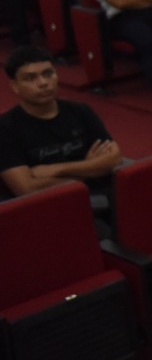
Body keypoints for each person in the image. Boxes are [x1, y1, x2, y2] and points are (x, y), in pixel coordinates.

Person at [0, 47, 122, 233]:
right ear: (14, 86)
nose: (43, 83)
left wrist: (54, 170)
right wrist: (90, 168)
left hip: (99, 197)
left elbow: (113, 158)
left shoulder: (81, 111)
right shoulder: (6, 128)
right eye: (31, 78)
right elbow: (26, 188)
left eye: (48, 74)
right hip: (47, 208)